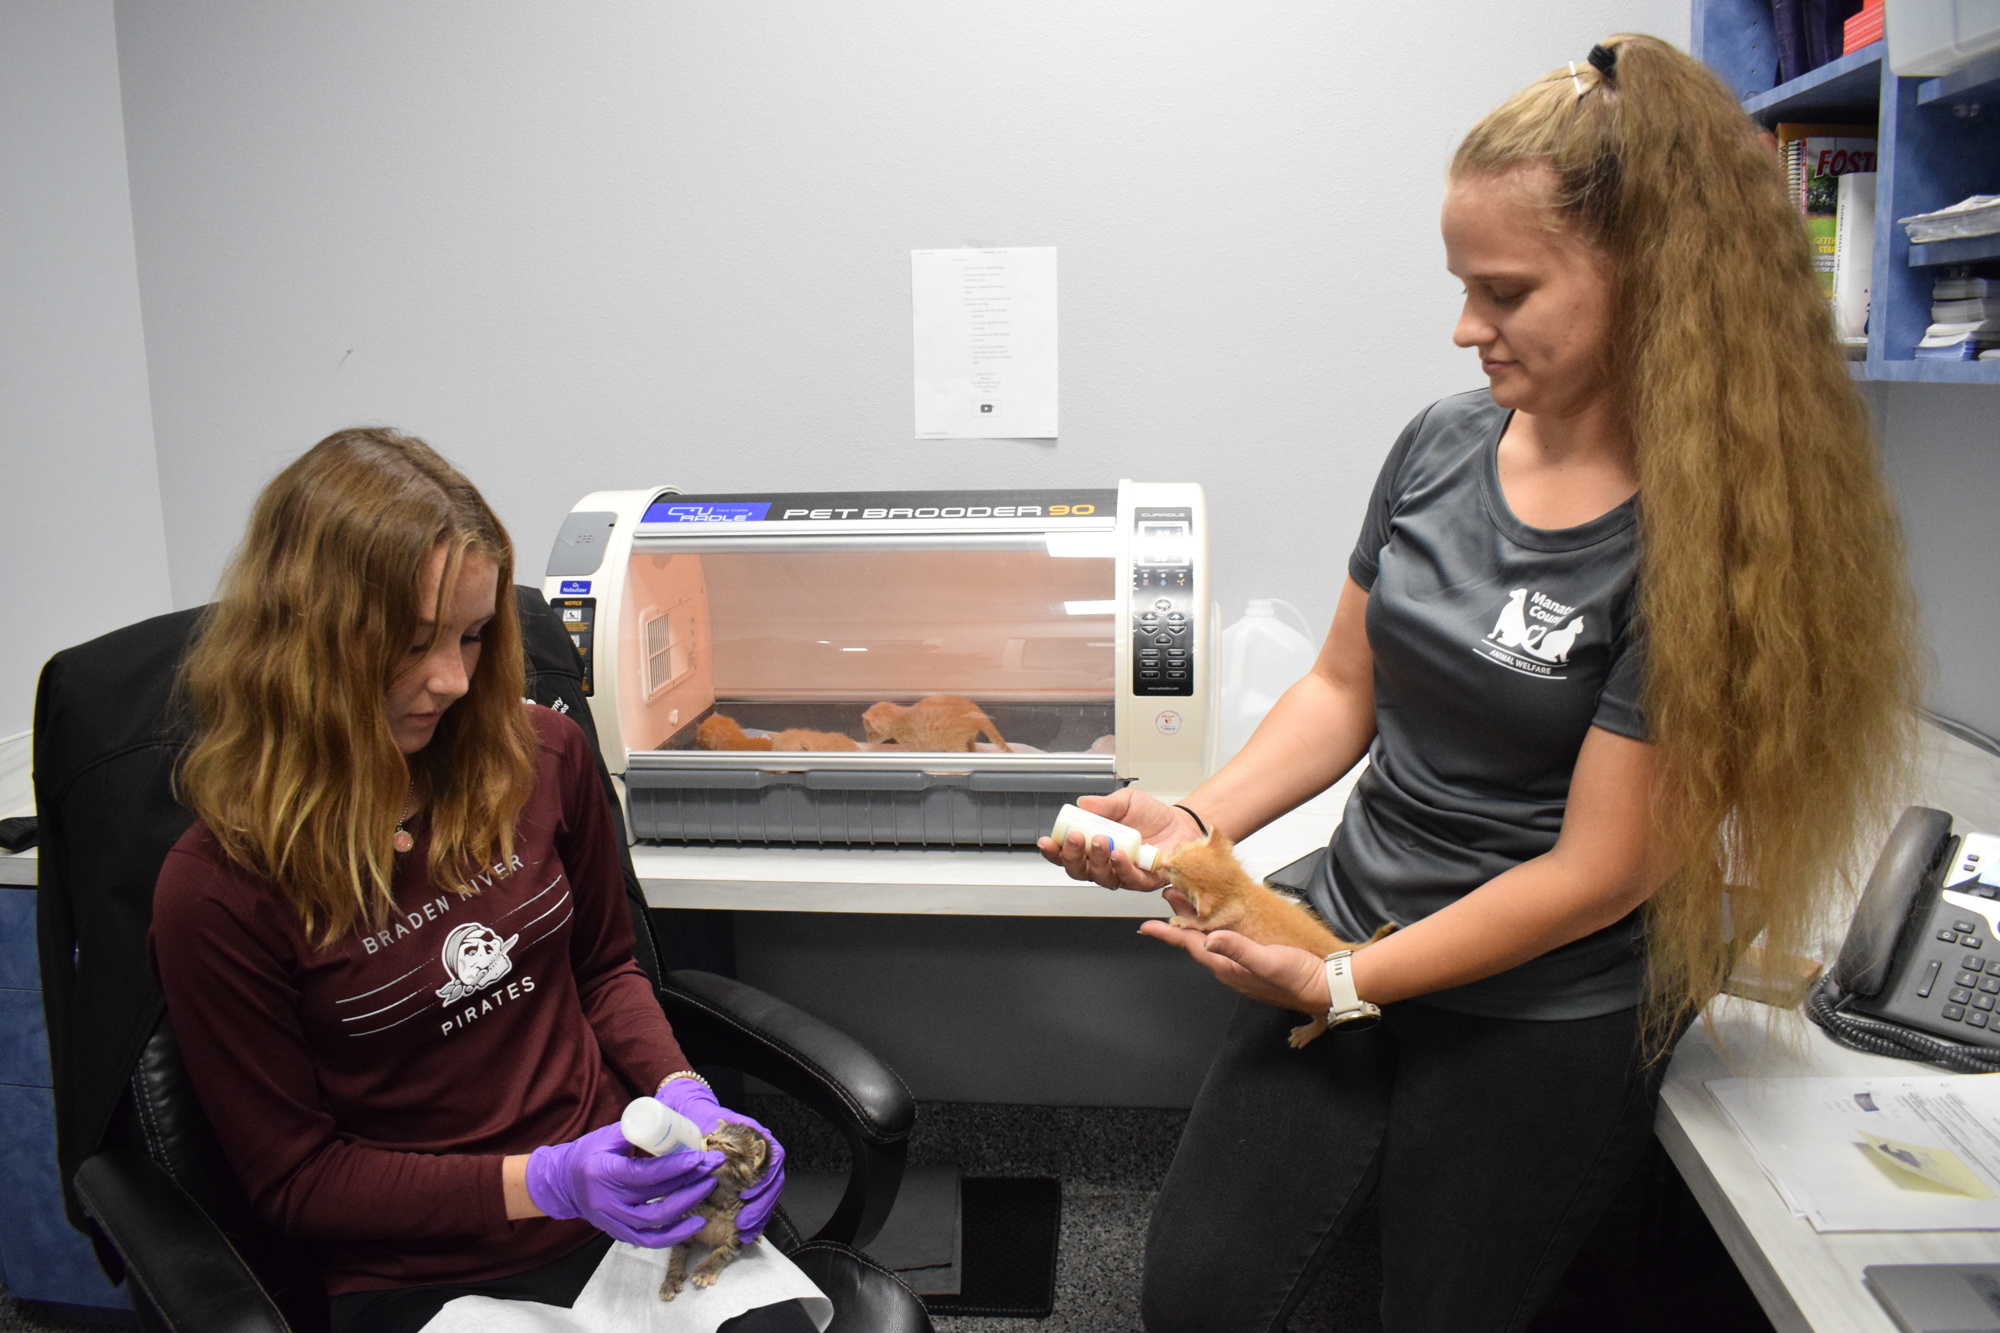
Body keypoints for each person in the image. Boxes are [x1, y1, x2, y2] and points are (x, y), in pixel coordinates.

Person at [1042, 35, 1915, 1333]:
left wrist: (1352, 982)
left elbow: (1600, 870)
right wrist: (1202, 820)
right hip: (1331, 930)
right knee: (1201, 1298)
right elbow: (1346, 686)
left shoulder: (1704, 544)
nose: (1466, 329)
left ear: (1652, 282)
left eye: (1505, 291)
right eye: (1463, 286)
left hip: (1536, 1013)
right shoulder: (1444, 443)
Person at [150, 429, 810, 1333]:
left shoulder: (542, 757)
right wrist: (546, 1178)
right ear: (305, 641)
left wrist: (688, 1097)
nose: (454, 680)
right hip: (428, 1271)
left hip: (627, 1209)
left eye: (472, 635)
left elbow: (604, 971)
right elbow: (298, 1180)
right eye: (414, 643)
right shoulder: (220, 890)